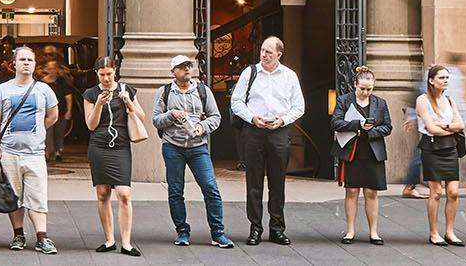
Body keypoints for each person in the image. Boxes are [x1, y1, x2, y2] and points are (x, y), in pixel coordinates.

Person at [231, 36, 305, 247]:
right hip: (254, 131)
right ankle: (255, 228)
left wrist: (283, 120)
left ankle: (277, 229)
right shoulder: (250, 72)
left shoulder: (289, 76)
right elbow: (236, 101)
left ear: (279, 54)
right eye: (262, 50)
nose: (263, 55)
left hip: (279, 132)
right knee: (254, 183)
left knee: (277, 183)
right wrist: (252, 118)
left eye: (268, 52)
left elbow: (299, 106)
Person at [0, 44, 63, 257]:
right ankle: (18, 234)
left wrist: (38, 131)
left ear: (34, 65)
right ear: (14, 64)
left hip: (35, 153)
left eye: (29, 60)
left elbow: (53, 116)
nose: (26, 63)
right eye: (22, 60)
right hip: (9, 153)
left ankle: (42, 237)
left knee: (38, 195)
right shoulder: (2, 90)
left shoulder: (44, 90)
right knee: (14, 196)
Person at [157, 54, 232, 250]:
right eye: (182, 67)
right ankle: (182, 231)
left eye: (189, 66)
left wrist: (202, 126)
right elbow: (156, 120)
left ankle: (218, 233)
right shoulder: (165, 92)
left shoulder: (202, 90)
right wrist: (171, 115)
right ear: (173, 72)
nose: (187, 69)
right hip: (172, 146)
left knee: (211, 188)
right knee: (175, 191)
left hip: (198, 147)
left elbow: (216, 116)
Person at [85, 55, 148, 255]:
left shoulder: (126, 89)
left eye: (110, 74)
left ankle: (127, 242)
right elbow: (91, 125)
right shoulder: (91, 93)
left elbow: (142, 116)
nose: (106, 78)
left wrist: (128, 102)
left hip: (120, 146)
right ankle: (110, 239)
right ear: (97, 74)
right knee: (103, 193)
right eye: (102, 75)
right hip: (99, 146)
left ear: (115, 71)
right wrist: (99, 104)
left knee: (124, 193)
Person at [333, 64, 391, 245]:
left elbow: (388, 127)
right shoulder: (344, 100)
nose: (366, 92)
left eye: (369, 89)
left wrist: (371, 130)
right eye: (362, 89)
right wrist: (358, 125)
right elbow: (335, 122)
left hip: (373, 152)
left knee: (371, 192)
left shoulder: (380, 103)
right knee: (351, 191)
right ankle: (350, 230)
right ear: (355, 85)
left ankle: (374, 231)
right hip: (353, 151)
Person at [411, 63, 466, 248]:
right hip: (432, 149)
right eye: (442, 78)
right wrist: (448, 127)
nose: (446, 81)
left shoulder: (450, 100)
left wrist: (446, 127)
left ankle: (450, 232)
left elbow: (461, 125)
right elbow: (431, 128)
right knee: (435, 193)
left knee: (453, 192)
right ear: (431, 80)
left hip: (450, 148)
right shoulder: (422, 100)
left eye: (447, 77)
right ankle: (433, 232)